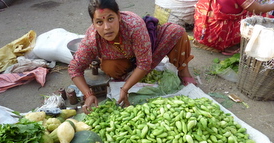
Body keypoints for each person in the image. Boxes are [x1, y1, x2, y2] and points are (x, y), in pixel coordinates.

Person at [68, 0, 197, 114]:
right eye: (99, 22)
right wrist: (88, 94)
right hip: (123, 59)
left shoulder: (134, 26)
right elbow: (74, 68)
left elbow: (144, 63)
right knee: (111, 68)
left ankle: (183, 70)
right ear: (93, 24)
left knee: (178, 32)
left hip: (148, 47)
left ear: (118, 16)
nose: (107, 27)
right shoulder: (92, 39)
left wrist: (125, 88)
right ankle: (130, 75)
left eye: (110, 19)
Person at [193, 0, 274, 55]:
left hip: (201, 33)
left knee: (246, 10)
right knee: (265, 18)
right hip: (216, 39)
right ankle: (228, 45)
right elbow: (259, 9)